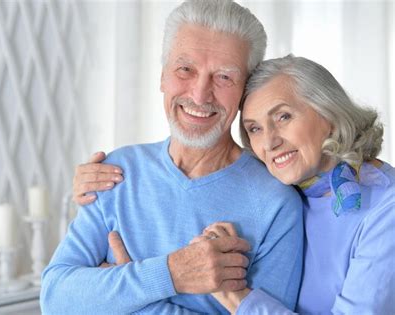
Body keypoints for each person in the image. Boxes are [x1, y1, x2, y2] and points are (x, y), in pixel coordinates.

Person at [75, 55, 395, 314]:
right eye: (254, 128)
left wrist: (237, 297)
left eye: (283, 117)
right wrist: (88, 184)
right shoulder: (286, 189)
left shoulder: (386, 208)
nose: (269, 141)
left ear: (330, 115)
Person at [41, 1, 304, 314]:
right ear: (163, 75)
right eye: (185, 69)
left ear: (245, 93)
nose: (199, 94)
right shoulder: (115, 173)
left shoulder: (275, 201)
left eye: (223, 77)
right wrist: (172, 273)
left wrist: (123, 296)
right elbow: (56, 299)